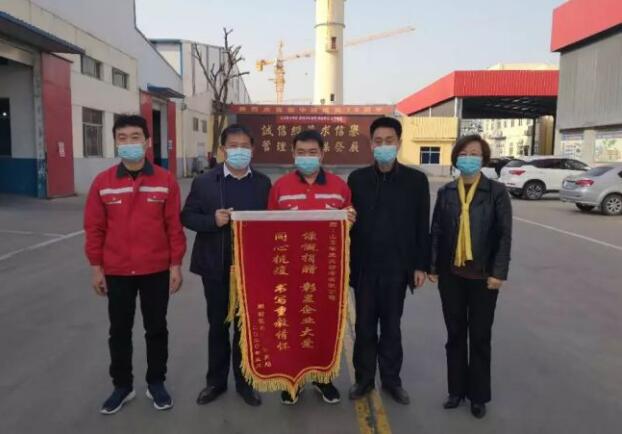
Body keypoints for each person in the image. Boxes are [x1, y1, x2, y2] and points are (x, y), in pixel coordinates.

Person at [84, 114, 186, 415]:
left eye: (135, 137)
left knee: (156, 329)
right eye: (122, 138)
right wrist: (96, 267)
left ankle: (156, 383)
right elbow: (94, 228)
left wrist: (176, 265)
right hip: (117, 271)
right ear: (115, 142)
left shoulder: (165, 181)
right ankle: (122, 386)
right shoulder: (103, 182)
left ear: (147, 142)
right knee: (119, 330)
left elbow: (174, 227)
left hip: (156, 269)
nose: (129, 143)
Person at [181, 124, 271, 407]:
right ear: (222, 149)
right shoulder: (205, 182)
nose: (239, 151)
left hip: (250, 269)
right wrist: (212, 220)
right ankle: (216, 383)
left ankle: (245, 382)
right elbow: (187, 216)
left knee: (246, 328)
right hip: (215, 267)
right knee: (218, 326)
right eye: (233, 146)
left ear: (253, 149)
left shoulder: (263, 183)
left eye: (245, 146)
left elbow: (273, 223)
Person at [268, 129, 356, 405]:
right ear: (293, 154)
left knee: (324, 326)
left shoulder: (339, 187)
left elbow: (348, 222)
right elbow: (269, 227)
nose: (307, 157)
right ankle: (291, 380)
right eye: (301, 152)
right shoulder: (280, 187)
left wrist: (350, 218)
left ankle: (322, 378)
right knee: (291, 326)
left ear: (322, 154)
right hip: (290, 272)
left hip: (326, 272)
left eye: (312, 152)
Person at [347, 116, 430, 405]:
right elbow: (347, 222)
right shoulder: (357, 179)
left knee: (392, 328)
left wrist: (420, 265)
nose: (384, 146)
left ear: (399, 143)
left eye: (389, 141)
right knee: (364, 328)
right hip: (364, 269)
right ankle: (364, 379)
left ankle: (392, 381)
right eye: (378, 141)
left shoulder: (416, 181)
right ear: (371, 145)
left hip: (397, 269)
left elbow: (422, 225)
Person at [429, 134, 512, 419]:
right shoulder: (447, 192)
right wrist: (433, 266)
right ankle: (455, 391)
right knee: (454, 335)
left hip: (483, 278)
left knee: (479, 337)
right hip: (451, 276)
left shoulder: (496, 192)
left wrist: (499, 273)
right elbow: (437, 231)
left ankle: (478, 396)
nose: (468, 158)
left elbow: (504, 235)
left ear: (484, 158)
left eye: (474, 153)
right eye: (463, 153)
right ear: (455, 158)